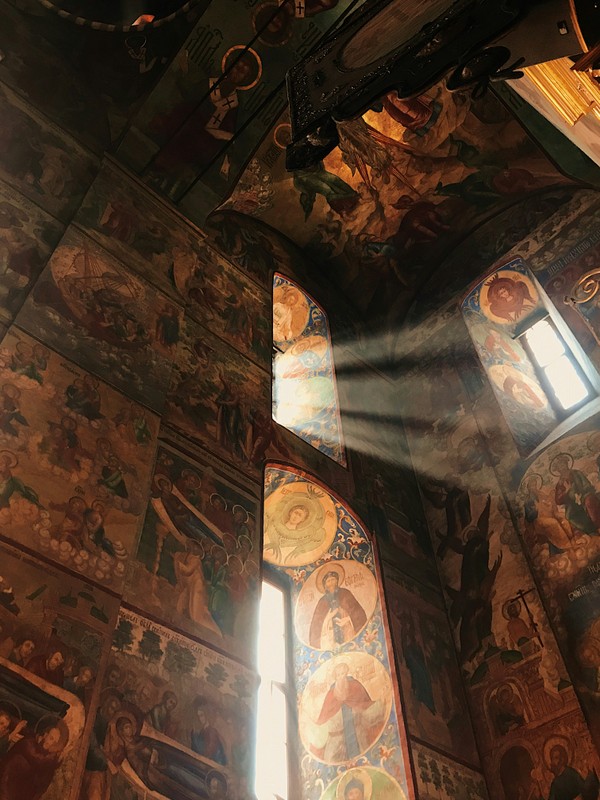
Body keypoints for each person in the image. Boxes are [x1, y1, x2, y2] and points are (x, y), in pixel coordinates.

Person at [312, 661, 379, 762]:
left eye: (343, 673)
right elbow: (325, 713)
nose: (341, 677)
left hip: (358, 732)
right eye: (338, 675)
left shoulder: (355, 685)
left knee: (364, 756)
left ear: (347, 673)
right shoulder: (331, 693)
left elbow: (365, 703)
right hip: (337, 737)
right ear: (335, 677)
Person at [0, 717, 68, 800]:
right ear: (45, 735)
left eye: (55, 742)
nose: (51, 743)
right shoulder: (29, 742)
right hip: (4, 787)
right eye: (51, 738)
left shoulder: (47, 761)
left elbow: (42, 786)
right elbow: (38, 759)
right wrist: (55, 757)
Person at [309, 565, 367, 649]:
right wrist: (329, 617)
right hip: (330, 632)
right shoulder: (322, 601)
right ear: (325, 585)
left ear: (337, 581)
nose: (331, 583)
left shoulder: (345, 593)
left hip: (347, 627)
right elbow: (317, 623)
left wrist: (348, 619)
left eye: (333, 579)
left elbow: (357, 611)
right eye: (328, 581)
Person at [190, 700, 227, 766]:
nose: (200, 718)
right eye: (198, 716)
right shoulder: (201, 731)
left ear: (206, 715)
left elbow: (209, 750)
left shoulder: (211, 731)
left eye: (201, 715)